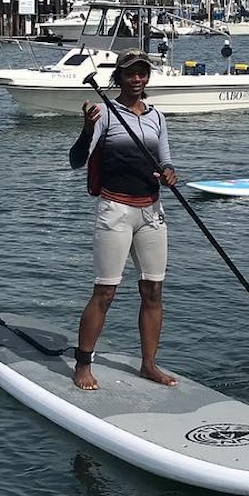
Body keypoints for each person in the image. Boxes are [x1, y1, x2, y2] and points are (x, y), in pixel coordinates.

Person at [68, 48, 179, 391]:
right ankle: (83, 364)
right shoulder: (105, 114)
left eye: (142, 73)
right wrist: (87, 130)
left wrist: (170, 172)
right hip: (115, 210)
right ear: (119, 76)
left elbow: (165, 160)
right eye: (130, 73)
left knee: (153, 291)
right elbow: (75, 161)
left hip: (151, 211)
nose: (137, 79)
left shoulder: (156, 117)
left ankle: (149, 365)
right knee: (106, 291)